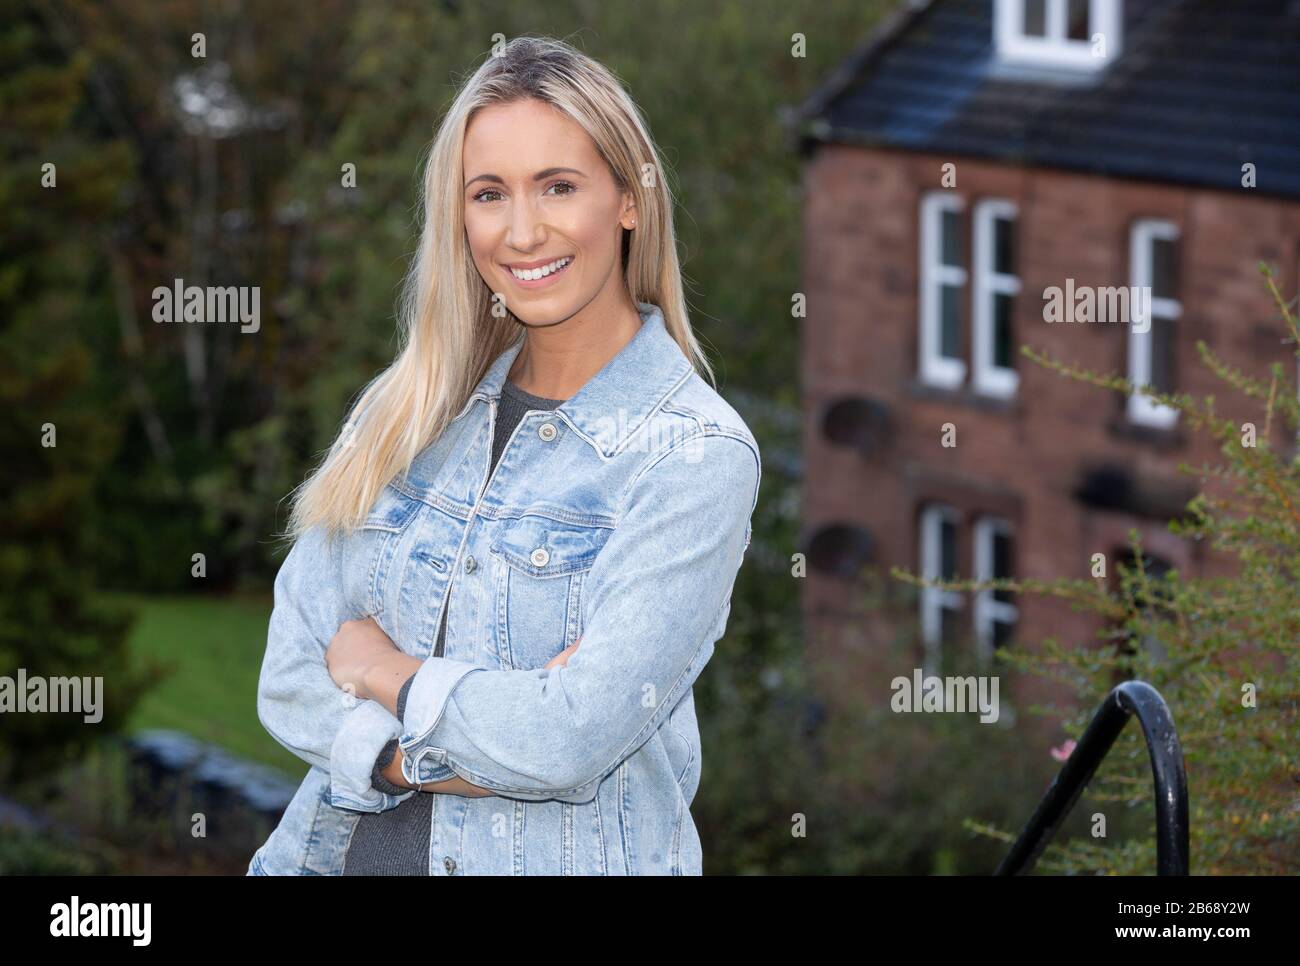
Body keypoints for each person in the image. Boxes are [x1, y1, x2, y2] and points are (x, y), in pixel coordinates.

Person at [247, 35, 760, 876]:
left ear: (628, 200)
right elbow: (289, 673)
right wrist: (408, 760)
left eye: (559, 186)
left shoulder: (693, 454)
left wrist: (385, 671)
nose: (523, 232)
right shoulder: (407, 409)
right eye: (489, 194)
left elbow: (569, 738)